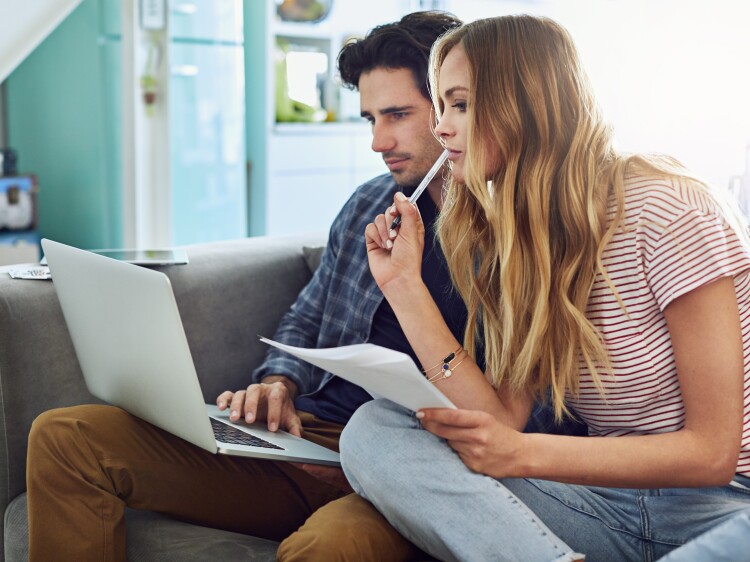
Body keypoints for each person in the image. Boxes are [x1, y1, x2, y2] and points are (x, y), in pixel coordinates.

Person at [25, 11, 463, 562]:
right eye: (370, 118)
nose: (378, 140)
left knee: (323, 549)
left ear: (453, 106)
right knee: (67, 439)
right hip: (316, 437)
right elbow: (305, 318)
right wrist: (279, 385)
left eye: (397, 114)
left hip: (413, 462)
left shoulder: (516, 240)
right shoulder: (367, 206)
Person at [340, 14, 750, 562]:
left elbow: (711, 453)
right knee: (375, 429)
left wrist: (521, 454)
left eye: (459, 104)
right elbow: (499, 417)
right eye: (441, 107)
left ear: (523, 103)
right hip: (607, 507)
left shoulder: (666, 209)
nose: (441, 128)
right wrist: (403, 286)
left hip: (725, 507)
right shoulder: (521, 241)